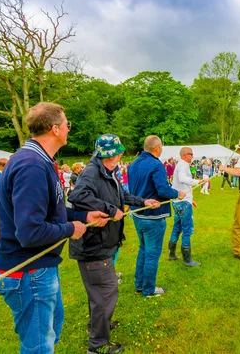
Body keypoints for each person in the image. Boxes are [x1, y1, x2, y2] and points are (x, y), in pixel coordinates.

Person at [0, 102, 106, 354]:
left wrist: (83, 215)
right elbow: (30, 232)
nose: (68, 129)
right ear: (55, 129)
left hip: (39, 268)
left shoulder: (41, 160)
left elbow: (52, 212)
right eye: (67, 124)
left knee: (49, 335)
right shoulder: (31, 165)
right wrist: (70, 229)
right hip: (27, 271)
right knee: (39, 348)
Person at [69, 134, 159, 354]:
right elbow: (77, 195)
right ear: (112, 155)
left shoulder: (107, 172)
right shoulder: (92, 172)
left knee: (100, 293)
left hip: (102, 244)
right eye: (119, 152)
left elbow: (120, 196)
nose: (121, 155)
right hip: (93, 246)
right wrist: (110, 210)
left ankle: (100, 326)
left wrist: (143, 202)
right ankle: (97, 345)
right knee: (106, 293)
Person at [128, 135, 185, 298]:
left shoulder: (134, 164)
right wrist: (177, 193)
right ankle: (148, 289)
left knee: (143, 250)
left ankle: (139, 285)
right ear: (157, 147)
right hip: (152, 216)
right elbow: (163, 190)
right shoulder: (156, 165)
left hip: (137, 215)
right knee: (152, 253)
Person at [169, 147, 207, 267]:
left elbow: (180, 185)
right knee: (187, 230)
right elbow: (182, 179)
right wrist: (197, 182)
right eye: (191, 154)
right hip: (183, 203)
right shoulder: (183, 165)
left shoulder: (180, 164)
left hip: (179, 202)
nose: (193, 156)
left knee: (177, 227)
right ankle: (187, 260)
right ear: (186, 155)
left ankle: (172, 254)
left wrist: (191, 200)